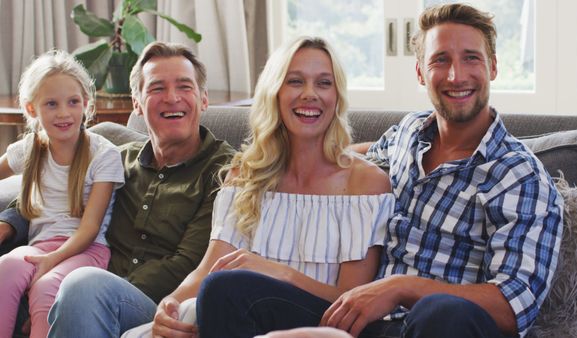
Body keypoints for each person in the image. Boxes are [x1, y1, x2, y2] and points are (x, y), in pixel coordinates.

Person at [239, 4, 564, 338]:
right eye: (440, 60)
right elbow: (352, 156)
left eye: (471, 58)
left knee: (441, 312)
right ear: (421, 72)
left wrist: (401, 288)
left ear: (492, 67)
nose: (456, 75)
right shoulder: (409, 133)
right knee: (231, 289)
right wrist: (281, 160)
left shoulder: (520, 177)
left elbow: (513, 306)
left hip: (439, 327)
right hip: (361, 323)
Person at [121, 36, 394, 338]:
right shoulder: (244, 175)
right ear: (274, 92)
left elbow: (352, 300)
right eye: (294, 81)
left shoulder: (365, 183)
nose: (310, 94)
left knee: (225, 289)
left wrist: (278, 272)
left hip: (322, 323)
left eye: (324, 83)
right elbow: (209, 269)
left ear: (337, 96)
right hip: (239, 318)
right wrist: (170, 302)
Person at [0, 41, 235, 337]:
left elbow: (189, 262)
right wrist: (9, 223)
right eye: (157, 88)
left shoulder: (225, 171)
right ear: (136, 102)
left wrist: (82, 295)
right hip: (82, 291)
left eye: (184, 87)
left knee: (82, 284)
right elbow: (54, 194)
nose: (172, 98)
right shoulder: (117, 159)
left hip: (157, 306)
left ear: (203, 99)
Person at [0, 50, 125, 338]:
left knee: (46, 286)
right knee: (6, 266)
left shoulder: (103, 154)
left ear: (86, 104)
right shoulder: (30, 149)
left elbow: (91, 228)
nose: (64, 113)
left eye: (73, 102)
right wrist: (45, 257)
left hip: (86, 250)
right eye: (51, 104)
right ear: (32, 109)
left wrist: (53, 259)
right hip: (40, 245)